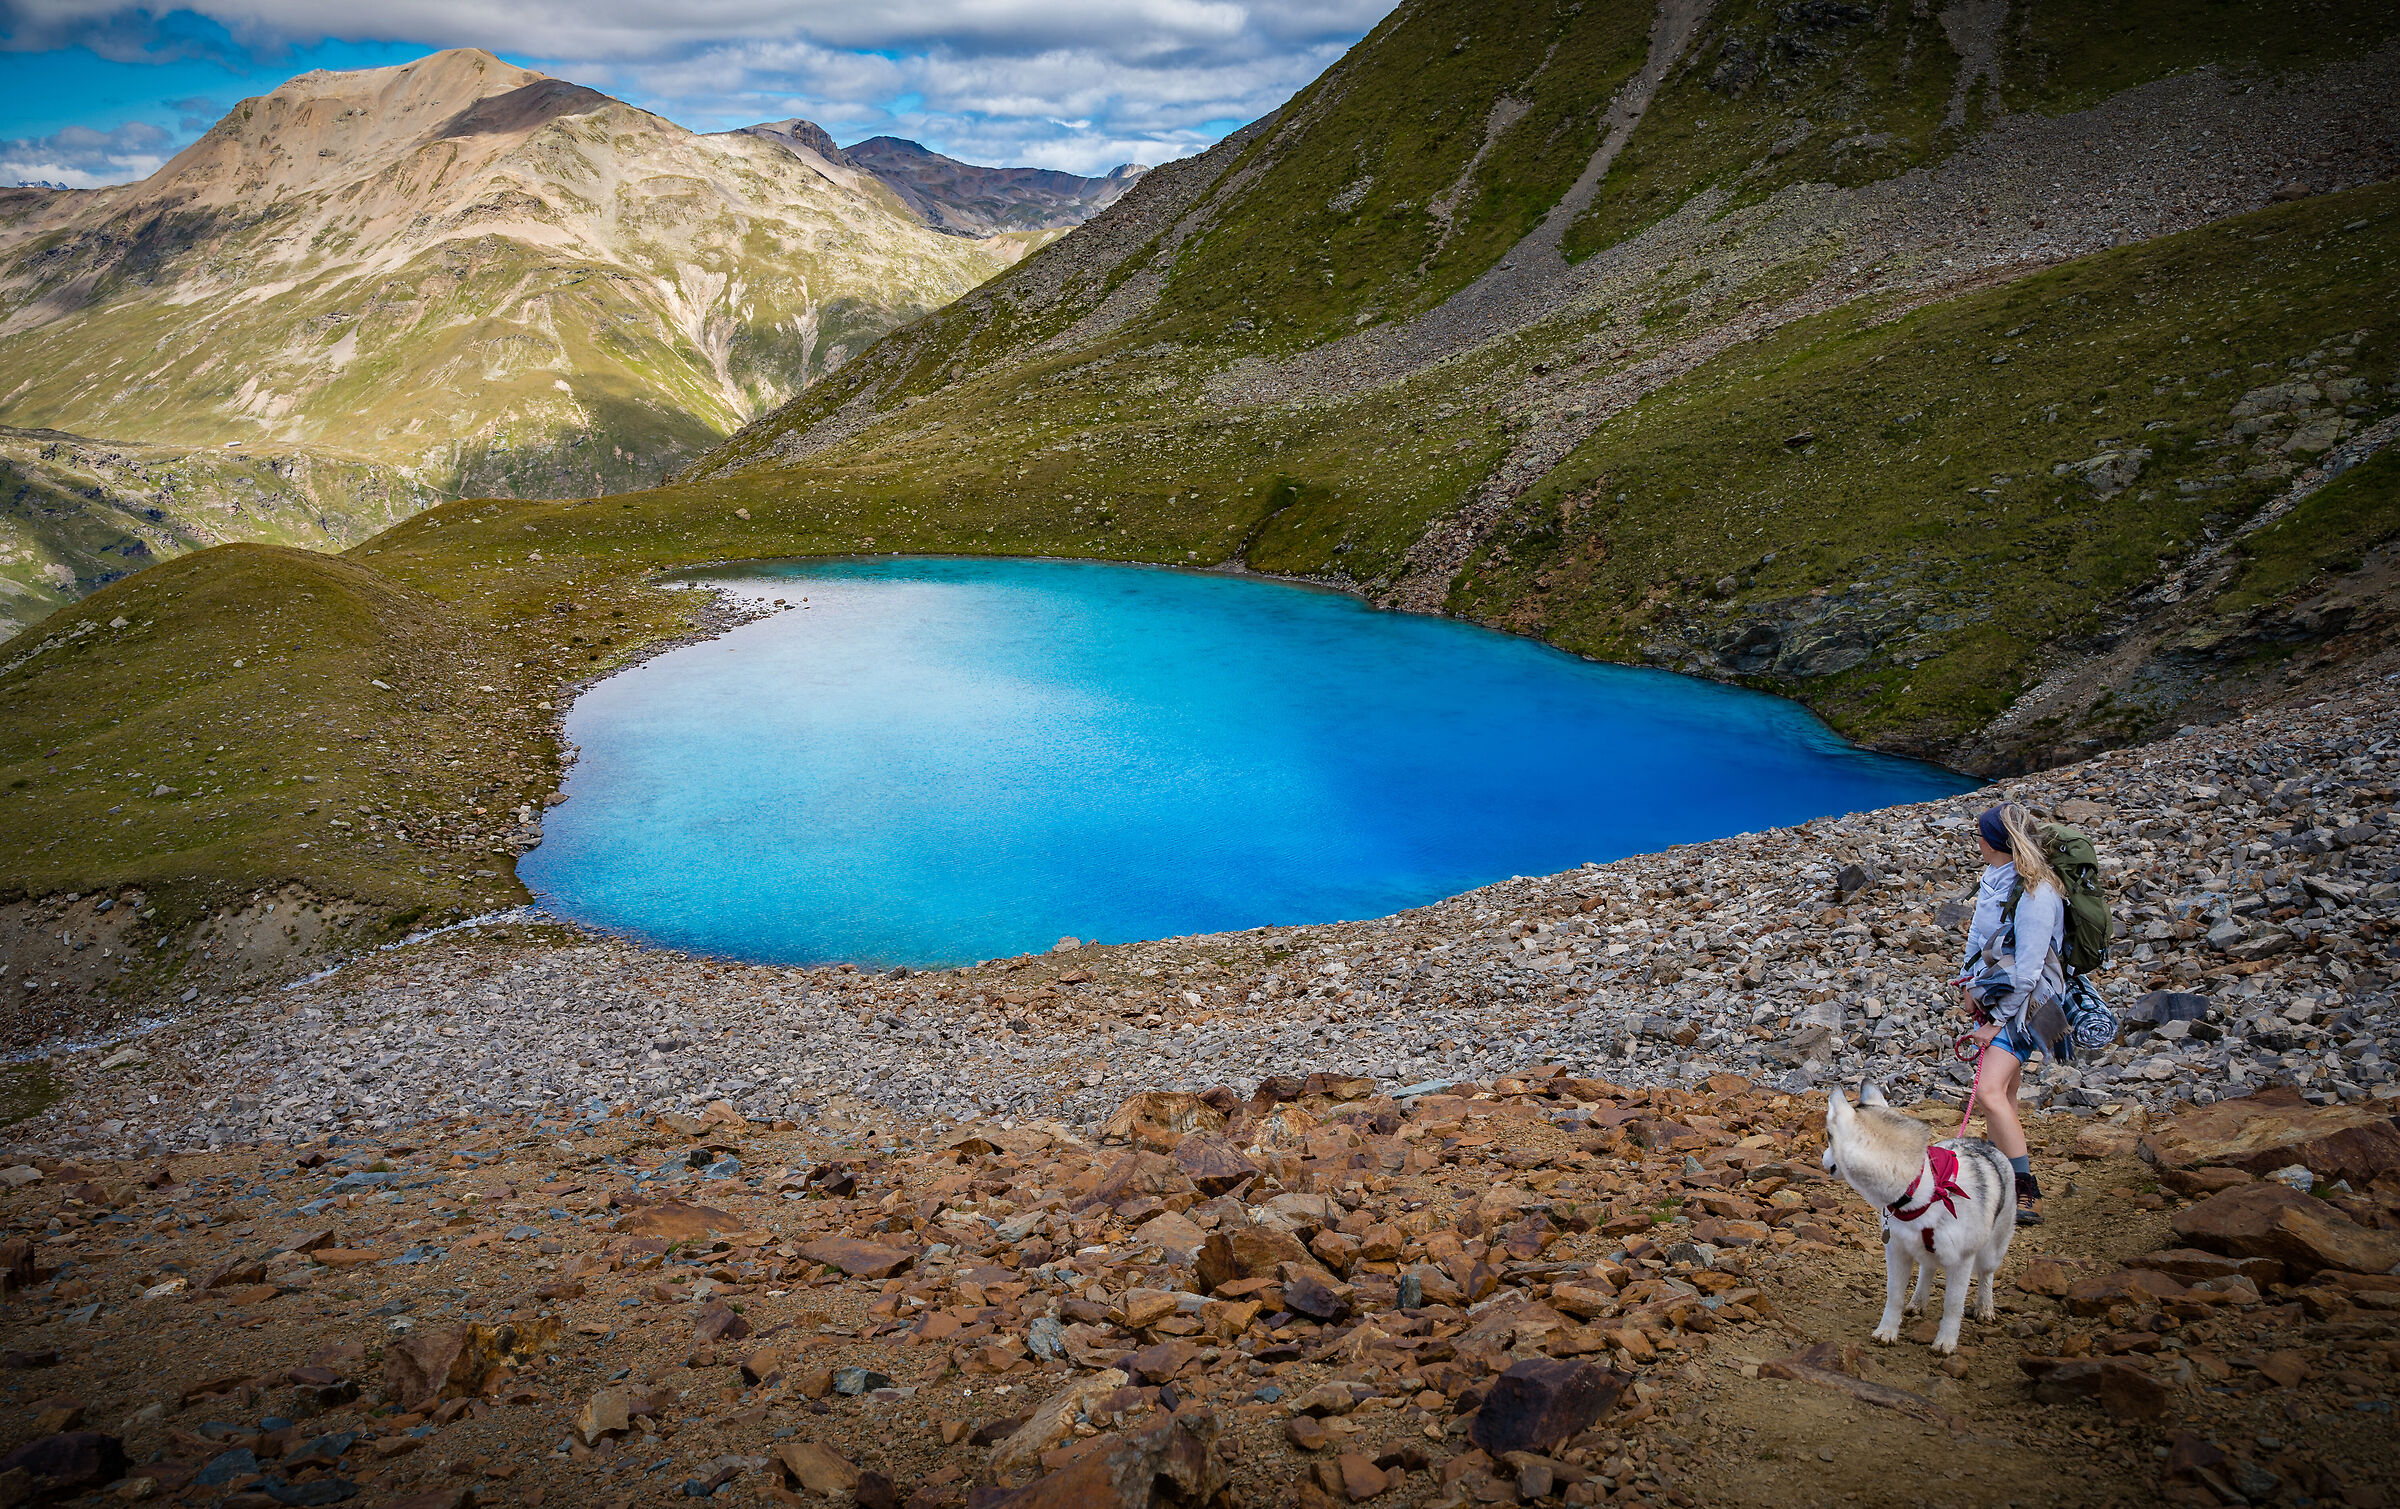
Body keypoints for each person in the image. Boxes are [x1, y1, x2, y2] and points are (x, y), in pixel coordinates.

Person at [1957, 801, 2066, 1225]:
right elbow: (1978, 935)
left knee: (1987, 1092)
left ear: (1998, 842)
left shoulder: (2037, 893)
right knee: (2005, 1094)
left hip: (2026, 1005)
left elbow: (2029, 973)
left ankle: (2025, 1192)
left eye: (1981, 834)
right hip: (1997, 997)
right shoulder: (1997, 878)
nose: (1977, 841)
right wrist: (1968, 987)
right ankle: (2000, 1182)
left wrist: (1994, 1023)